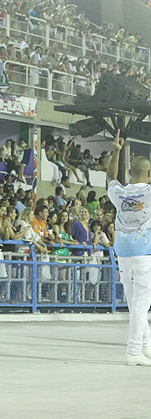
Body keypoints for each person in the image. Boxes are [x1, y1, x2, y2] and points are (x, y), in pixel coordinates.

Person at [106, 130, 151, 365]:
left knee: (135, 304)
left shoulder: (120, 193)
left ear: (130, 173)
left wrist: (116, 150)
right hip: (144, 255)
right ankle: (133, 351)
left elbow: (110, 176)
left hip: (122, 254)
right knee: (142, 305)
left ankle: (146, 346)